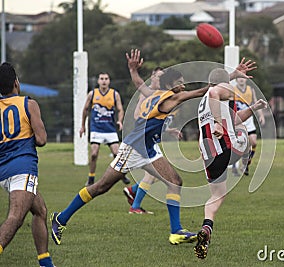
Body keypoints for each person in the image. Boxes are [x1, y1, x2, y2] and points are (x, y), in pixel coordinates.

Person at [51, 49, 256, 247]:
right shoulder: (172, 97)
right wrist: (231, 76)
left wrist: (133, 70)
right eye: (180, 84)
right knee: (101, 187)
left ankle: (176, 232)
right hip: (132, 148)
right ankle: (61, 218)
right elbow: (206, 90)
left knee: (175, 181)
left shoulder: (153, 93)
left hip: (147, 148)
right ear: (172, 86)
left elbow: (140, 83)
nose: (183, 87)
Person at [194, 68, 267, 259]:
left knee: (217, 195)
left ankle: (207, 227)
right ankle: (244, 161)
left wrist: (253, 108)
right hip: (226, 146)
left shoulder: (204, 103)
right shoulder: (216, 91)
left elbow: (234, 119)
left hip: (209, 153)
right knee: (246, 139)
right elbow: (214, 91)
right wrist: (218, 123)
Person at [0, 62, 55, 267]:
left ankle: (45, 262)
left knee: (40, 210)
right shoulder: (28, 104)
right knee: (15, 217)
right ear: (16, 82)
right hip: (23, 168)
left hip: (3, 171)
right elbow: (41, 140)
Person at [122, 66, 165, 215]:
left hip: (150, 139)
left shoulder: (161, 94)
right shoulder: (146, 93)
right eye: (158, 76)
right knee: (153, 174)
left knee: (165, 176)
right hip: (142, 140)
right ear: (152, 77)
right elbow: (136, 115)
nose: (160, 80)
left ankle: (132, 190)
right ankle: (135, 206)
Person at [79, 72, 130, 186]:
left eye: (106, 78)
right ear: (98, 81)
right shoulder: (92, 94)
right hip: (96, 129)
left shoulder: (114, 94)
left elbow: (120, 109)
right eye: (101, 78)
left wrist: (119, 121)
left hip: (110, 129)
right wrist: (83, 126)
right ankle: (91, 177)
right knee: (94, 153)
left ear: (109, 81)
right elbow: (85, 110)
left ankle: (121, 175)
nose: (104, 81)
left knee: (117, 154)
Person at [231, 77, 265, 176]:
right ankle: (234, 166)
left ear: (246, 79)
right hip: (238, 119)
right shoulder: (232, 90)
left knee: (253, 142)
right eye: (239, 77)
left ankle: (246, 163)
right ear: (236, 80)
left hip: (249, 120)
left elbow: (255, 103)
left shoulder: (251, 89)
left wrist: (261, 115)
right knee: (238, 143)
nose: (241, 79)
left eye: (243, 77)